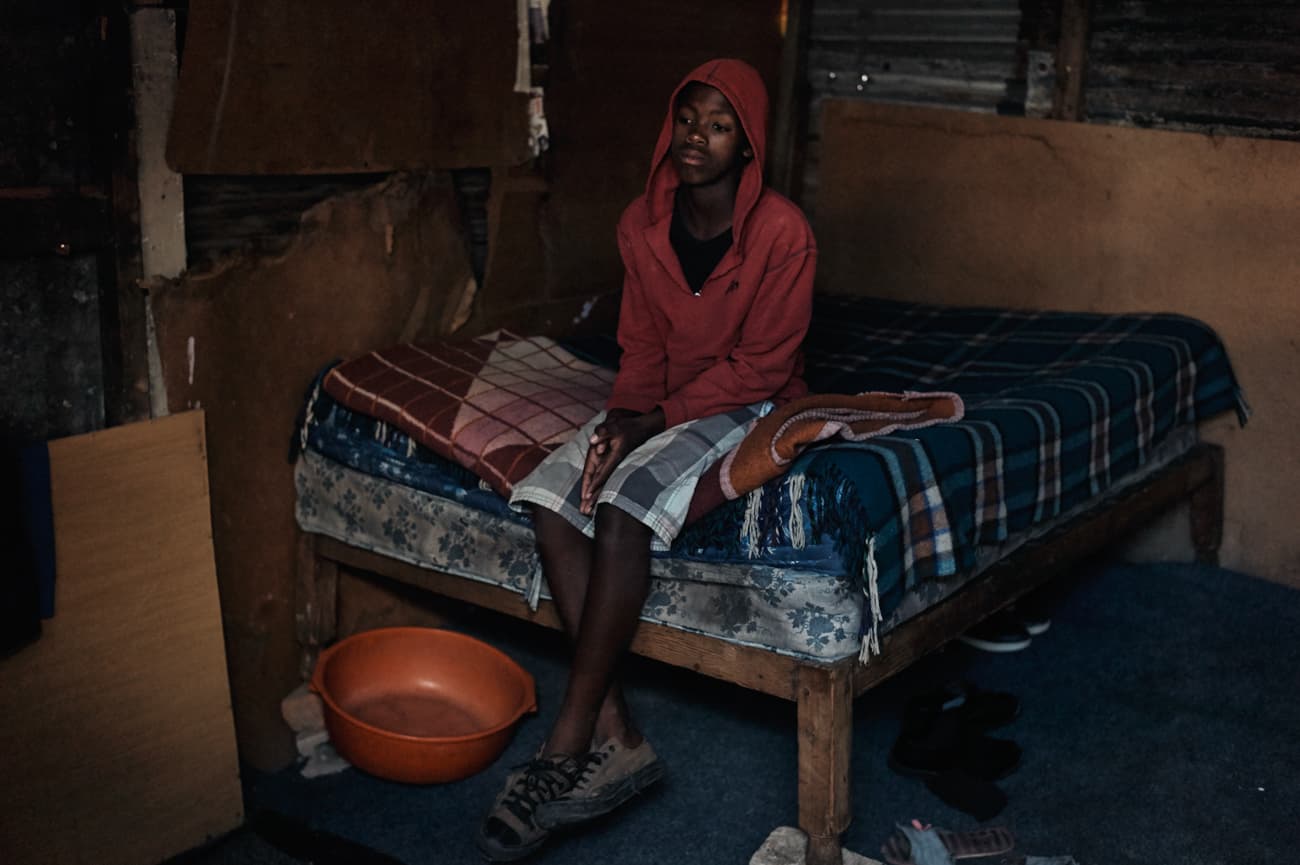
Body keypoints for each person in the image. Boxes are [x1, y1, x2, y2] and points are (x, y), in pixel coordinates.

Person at [477, 57, 817, 862]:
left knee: (625, 508)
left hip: (750, 400)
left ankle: (565, 743)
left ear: (748, 146)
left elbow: (763, 367)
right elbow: (640, 344)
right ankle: (619, 729)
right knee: (554, 496)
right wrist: (620, 422)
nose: (699, 137)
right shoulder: (641, 223)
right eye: (690, 119)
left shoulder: (783, 234)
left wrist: (655, 424)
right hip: (662, 396)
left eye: (721, 125)